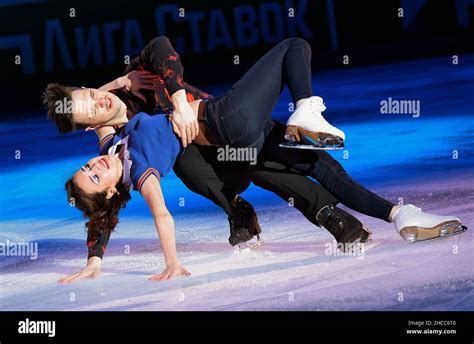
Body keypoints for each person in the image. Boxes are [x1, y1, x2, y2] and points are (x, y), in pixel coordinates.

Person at [49, 37, 466, 282]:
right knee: (203, 167)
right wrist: (95, 258)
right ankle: (241, 206)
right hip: (214, 152)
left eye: (91, 95)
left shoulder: (134, 81)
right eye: (90, 110)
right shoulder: (113, 139)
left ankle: (396, 214)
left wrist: (150, 89)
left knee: (314, 164)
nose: (98, 102)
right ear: (91, 127)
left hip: (226, 125)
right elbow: (101, 191)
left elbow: (160, 46)